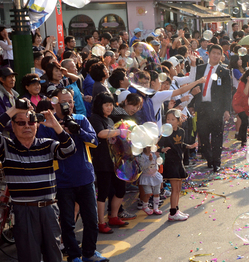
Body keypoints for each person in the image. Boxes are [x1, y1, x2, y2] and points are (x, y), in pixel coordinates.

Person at [37, 90, 108, 262]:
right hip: (62, 181)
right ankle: (74, 255)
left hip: (85, 177)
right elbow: (42, 148)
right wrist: (59, 129)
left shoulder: (81, 119)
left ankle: (90, 252)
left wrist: (79, 132)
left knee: (91, 219)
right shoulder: (47, 124)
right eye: (63, 101)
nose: (68, 104)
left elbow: (94, 141)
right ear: (54, 103)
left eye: (70, 101)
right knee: (68, 222)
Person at [0, 101, 75, 262]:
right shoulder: (6, 147)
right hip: (23, 210)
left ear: (37, 125)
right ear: (12, 126)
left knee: (54, 255)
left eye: (31, 122)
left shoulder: (47, 144)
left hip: (49, 209)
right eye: (20, 123)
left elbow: (70, 149)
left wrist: (55, 125)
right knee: (29, 256)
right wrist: (14, 110)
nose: (27, 126)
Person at [89, 92, 129, 232]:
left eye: (111, 104)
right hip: (102, 161)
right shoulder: (95, 118)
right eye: (106, 105)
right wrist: (119, 132)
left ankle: (113, 216)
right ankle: (101, 222)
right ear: (99, 105)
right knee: (103, 193)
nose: (109, 107)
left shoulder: (110, 120)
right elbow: (100, 133)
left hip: (115, 161)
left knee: (120, 189)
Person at [188, 44, 232, 172]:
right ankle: (209, 158)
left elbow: (227, 93)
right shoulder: (200, 69)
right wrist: (191, 104)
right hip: (202, 108)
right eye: (214, 53)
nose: (216, 55)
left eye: (219, 53)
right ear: (208, 53)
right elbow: (193, 85)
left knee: (217, 136)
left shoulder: (224, 72)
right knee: (203, 136)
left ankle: (216, 162)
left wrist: (226, 110)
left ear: (221, 56)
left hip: (217, 109)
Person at [159, 109, 197, 221]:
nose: (170, 121)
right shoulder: (165, 132)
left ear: (178, 120)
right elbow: (157, 145)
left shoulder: (181, 131)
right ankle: (172, 213)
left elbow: (180, 144)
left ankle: (176, 209)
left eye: (173, 119)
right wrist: (162, 149)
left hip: (179, 161)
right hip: (171, 162)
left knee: (179, 188)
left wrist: (189, 146)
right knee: (175, 189)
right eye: (168, 119)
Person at [137, 146, 163, 216]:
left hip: (155, 176)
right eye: (148, 147)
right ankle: (145, 206)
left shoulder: (153, 153)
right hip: (146, 177)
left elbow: (159, 162)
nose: (149, 148)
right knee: (148, 193)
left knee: (157, 193)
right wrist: (150, 160)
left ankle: (156, 208)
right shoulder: (142, 157)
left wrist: (158, 157)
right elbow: (143, 167)